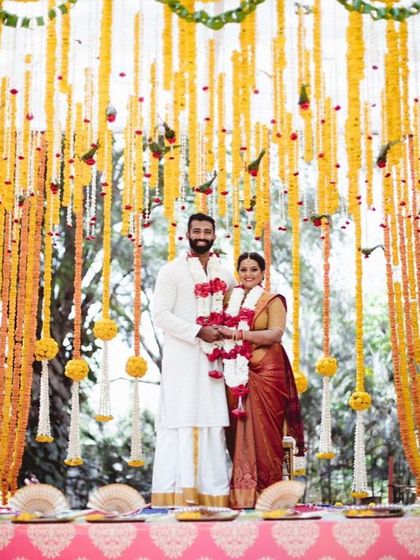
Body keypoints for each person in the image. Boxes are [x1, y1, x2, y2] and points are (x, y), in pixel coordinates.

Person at [151, 213, 235, 508]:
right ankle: (176, 497)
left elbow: (235, 312)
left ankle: (212, 496)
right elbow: (159, 315)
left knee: (212, 423)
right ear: (187, 234)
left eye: (207, 231)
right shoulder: (171, 272)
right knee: (181, 420)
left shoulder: (225, 275)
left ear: (215, 236)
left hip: (214, 363)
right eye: (196, 230)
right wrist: (198, 331)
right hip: (182, 361)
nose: (202, 235)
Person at [216, 252, 305, 509]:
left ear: (263, 272)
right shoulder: (228, 299)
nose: (248, 274)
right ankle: (243, 495)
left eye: (253, 269)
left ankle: (269, 495)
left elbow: (276, 334)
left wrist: (239, 334)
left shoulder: (272, 300)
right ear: (237, 272)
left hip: (266, 371)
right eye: (243, 269)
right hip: (235, 371)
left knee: (266, 433)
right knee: (236, 430)